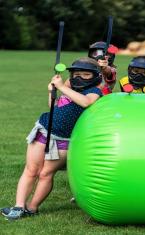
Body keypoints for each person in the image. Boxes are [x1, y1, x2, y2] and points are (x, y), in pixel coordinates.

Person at [1, 58, 103, 220]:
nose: (80, 78)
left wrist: (62, 87)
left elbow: (85, 102)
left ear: (95, 76)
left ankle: (32, 208)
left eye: (86, 75)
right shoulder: (69, 85)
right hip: (43, 130)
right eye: (77, 74)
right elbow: (54, 106)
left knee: (46, 173)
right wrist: (52, 91)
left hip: (64, 139)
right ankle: (19, 206)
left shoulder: (94, 92)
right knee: (31, 170)